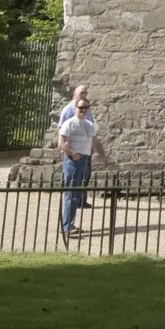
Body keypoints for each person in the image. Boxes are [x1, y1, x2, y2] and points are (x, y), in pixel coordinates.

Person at [56, 97, 104, 241]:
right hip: (72, 161)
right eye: (80, 107)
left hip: (84, 160)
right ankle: (66, 227)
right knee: (70, 194)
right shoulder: (69, 123)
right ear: (75, 108)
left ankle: (70, 225)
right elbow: (61, 143)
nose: (83, 110)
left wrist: (103, 156)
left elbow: (95, 141)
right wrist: (73, 153)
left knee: (77, 194)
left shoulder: (89, 124)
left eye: (85, 108)